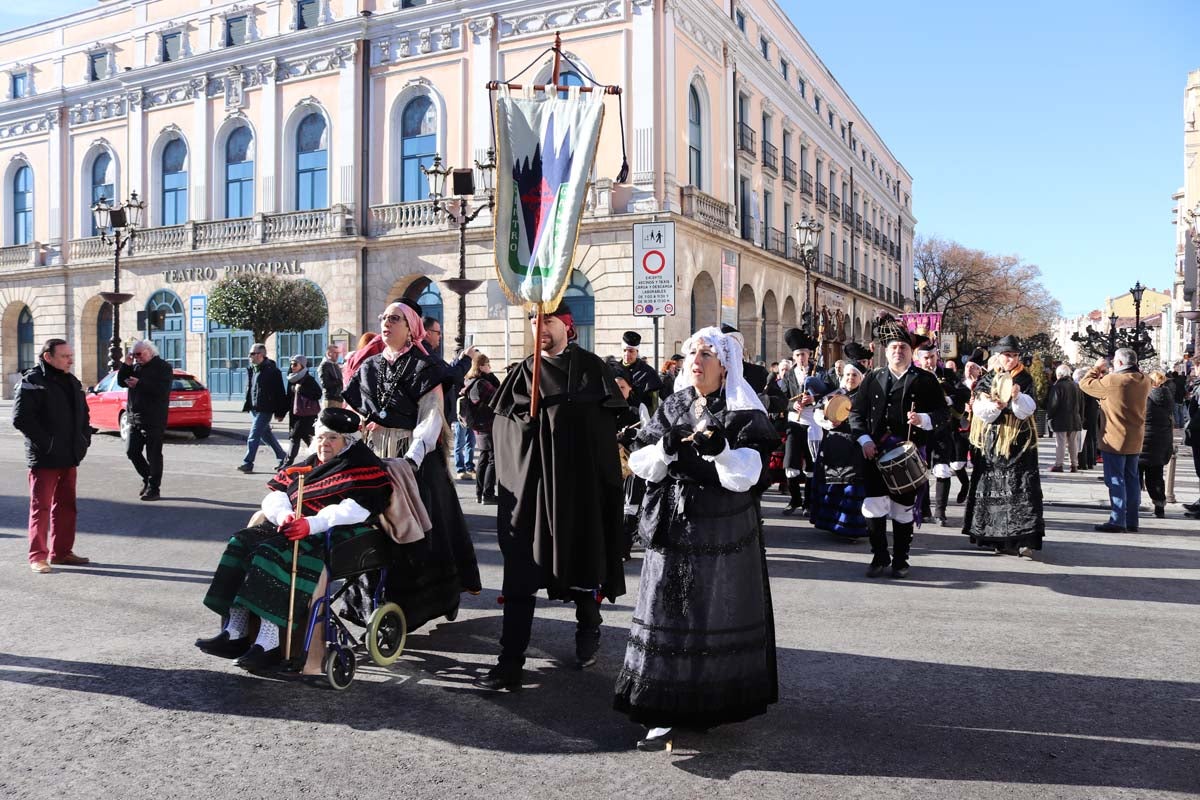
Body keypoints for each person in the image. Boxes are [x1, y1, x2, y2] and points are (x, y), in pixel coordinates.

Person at [614, 326, 779, 751]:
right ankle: (660, 709)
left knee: (712, 614)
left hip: (724, 527)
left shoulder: (743, 411)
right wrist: (666, 448)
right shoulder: (675, 403)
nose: (697, 360)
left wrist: (722, 450)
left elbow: (750, 475)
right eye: (692, 352)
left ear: (725, 364)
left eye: (706, 353)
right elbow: (639, 461)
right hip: (674, 522)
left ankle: (709, 702)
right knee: (669, 613)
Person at [477, 303, 628, 690]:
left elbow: (601, 433)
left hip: (578, 491)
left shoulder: (591, 368)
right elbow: (501, 434)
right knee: (521, 575)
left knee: (581, 562)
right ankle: (510, 662)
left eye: (547, 320)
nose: (539, 327)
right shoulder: (523, 373)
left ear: (567, 325)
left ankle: (588, 628)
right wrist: (528, 431)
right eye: (532, 320)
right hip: (532, 489)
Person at [196, 408, 393, 672]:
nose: (325, 444)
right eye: (322, 437)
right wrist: (285, 515)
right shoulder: (309, 464)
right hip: (294, 524)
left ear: (348, 441)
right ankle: (236, 630)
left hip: (330, 532)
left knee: (269, 552)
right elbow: (275, 494)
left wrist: (311, 524)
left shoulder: (363, 467)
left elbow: (356, 509)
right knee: (241, 543)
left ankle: (270, 642)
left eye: (333, 438)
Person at [342, 300, 482, 629]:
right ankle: (368, 603)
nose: (385, 323)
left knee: (423, 527)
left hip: (413, 459)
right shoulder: (370, 365)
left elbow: (431, 417)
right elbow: (360, 413)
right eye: (383, 318)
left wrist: (411, 460)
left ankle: (423, 603)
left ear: (410, 328)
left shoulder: (424, 366)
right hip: (376, 452)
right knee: (370, 528)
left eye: (394, 318)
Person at [849, 316, 945, 577]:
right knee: (873, 505)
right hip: (874, 453)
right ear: (886, 351)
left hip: (908, 454)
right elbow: (856, 414)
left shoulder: (925, 380)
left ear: (910, 351)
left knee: (902, 509)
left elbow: (942, 414)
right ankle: (879, 556)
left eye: (903, 347)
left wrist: (923, 419)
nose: (898, 352)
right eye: (893, 348)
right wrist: (864, 440)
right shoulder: (872, 378)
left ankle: (901, 559)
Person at [13, 339, 92, 574]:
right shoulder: (32, 382)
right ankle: (38, 556)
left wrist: (83, 441)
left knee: (67, 506)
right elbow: (22, 419)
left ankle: (62, 552)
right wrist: (48, 444)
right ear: (48, 357)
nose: (71, 360)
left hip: (70, 455)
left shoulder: (73, 382)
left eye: (71, 355)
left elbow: (85, 417)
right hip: (45, 458)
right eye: (65, 356)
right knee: (42, 508)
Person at [962, 336, 1046, 556]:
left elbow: (1028, 410)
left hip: (1019, 442)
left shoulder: (1024, 378)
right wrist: (995, 407)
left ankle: (1024, 539)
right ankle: (996, 538)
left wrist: (1017, 398)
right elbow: (981, 410)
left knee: (1022, 489)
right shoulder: (987, 379)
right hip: (992, 442)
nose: (1011, 359)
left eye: (1015, 355)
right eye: (1008, 355)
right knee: (993, 491)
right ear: (998, 356)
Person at [1080, 349, 1151, 533]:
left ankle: (1118, 520)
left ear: (1118, 363)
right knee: (1132, 479)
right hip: (1135, 438)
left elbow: (1085, 384)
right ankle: (1132, 520)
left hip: (1114, 438)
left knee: (1115, 480)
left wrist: (1096, 368)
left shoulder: (1113, 381)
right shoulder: (1144, 380)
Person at [808, 362, 868, 538]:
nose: (850, 378)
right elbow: (818, 412)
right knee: (832, 485)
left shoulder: (865, 397)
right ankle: (831, 523)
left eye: (854, 375)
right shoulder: (835, 394)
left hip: (854, 447)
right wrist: (829, 422)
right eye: (848, 375)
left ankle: (850, 528)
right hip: (833, 445)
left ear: (860, 378)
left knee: (850, 486)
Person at [117, 339, 173, 501]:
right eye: (133, 355)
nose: (136, 358)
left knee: (153, 454)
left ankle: (154, 488)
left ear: (150, 351)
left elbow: (162, 390)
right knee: (131, 451)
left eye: (139, 354)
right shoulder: (134, 366)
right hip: (134, 417)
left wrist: (140, 383)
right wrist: (126, 365)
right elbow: (121, 382)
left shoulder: (163, 367)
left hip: (154, 417)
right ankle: (148, 478)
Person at [781, 327, 827, 515]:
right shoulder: (789, 375)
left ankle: (809, 501)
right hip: (794, 422)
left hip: (813, 422)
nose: (801, 358)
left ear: (809, 354)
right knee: (791, 462)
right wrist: (793, 406)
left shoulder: (820, 372)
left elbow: (829, 395)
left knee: (811, 463)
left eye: (804, 354)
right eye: (798, 355)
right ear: (794, 356)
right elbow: (782, 400)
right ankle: (795, 500)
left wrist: (814, 399)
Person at [425, 316, 478, 479]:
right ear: (427, 333)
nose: (440, 336)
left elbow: (447, 372)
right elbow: (449, 377)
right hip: (431, 420)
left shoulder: (429, 354)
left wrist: (461, 361)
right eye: (437, 332)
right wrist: (467, 360)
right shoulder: (425, 354)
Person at [238, 343, 288, 474]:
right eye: (250, 353)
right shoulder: (252, 369)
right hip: (254, 408)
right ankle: (283, 457)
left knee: (253, 435)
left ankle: (248, 463)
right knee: (266, 436)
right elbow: (250, 389)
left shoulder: (272, 371)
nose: (249, 356)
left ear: (261, 355)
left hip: (266, 408)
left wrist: (280, 412)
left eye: (252, 354)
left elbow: (280, 392)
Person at [463, 353, 501, 504]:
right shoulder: (481, 384)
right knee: (493, 460)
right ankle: (488, 494)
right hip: (487, 425)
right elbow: (498, 396)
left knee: (484, 459)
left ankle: (480, 494)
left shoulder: (470, 381)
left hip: (478, 425)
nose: (490, 367)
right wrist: (491, 376)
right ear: (481, 366)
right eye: (488, 364)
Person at [1140, 371, 1174, 520]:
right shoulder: (1167, 398)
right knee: (1156, 476)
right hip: (1161, 441)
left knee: (1135, 475)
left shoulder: (1145, 398)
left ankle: (1132, 505)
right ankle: (1159, 505)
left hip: (1142, 441)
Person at [283, 355, 322, 467]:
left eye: (295, 364)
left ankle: (287, 464)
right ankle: (288, 464)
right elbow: (288, 397)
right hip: (295, 414)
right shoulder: (291, 378)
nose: (292, 366)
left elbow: (317, 394)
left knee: (297, 437)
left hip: (307, 415)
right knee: (302, 438)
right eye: (291, 364)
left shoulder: (308, 379)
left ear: (302, 365)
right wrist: (281, 413)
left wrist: (302, 390)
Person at [1045, 364, 1084, 473]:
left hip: (1061, 419)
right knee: (1073, 442)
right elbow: (1081, 404)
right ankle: (1074, 465)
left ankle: (1059, 464)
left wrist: (1050, 416)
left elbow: (1053, 404)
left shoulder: (1058, 386)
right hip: (1075, 418)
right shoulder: (1076, 386)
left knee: (1060, 442)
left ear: (1059, 375)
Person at [619, 331, 664, 408]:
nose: (627, 354)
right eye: (624, 350)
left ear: (637, 352)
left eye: (631, 351)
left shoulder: (648, 372)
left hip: (640, 415)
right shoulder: (614, 369)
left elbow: (658, 398)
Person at [1075, 366, 1101, 471]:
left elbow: (1082, 404)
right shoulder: (1094, 386)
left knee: (1082, 439)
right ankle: (1091, 461)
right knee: (1091, 437)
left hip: (1085, 415)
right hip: (1094, 414)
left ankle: (1083, 462)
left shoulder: (1083, 388)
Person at [318, 342, 344, 408]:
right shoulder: (324, 365)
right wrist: (338, 382)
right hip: (330, 399)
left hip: (339, 398)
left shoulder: (335, 364)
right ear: (329, 353)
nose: (337, 355)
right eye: (335, 353)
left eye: (338, 353)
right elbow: (325, 384)